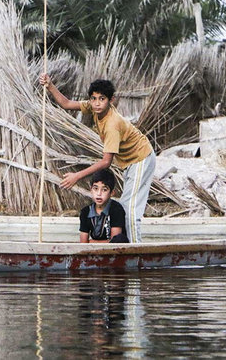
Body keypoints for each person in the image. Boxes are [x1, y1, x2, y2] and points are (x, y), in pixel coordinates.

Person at [39, 74, 156, 242]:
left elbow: (106, 162)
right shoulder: (94, 108)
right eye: (93, 99)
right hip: (129, 162)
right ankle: (124, 245)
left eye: (102, 99)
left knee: (130, 210)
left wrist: (77, 176)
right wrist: (50, 85)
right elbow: (66, 103)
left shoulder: (112, 124)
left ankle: (135, 249)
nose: (97, 103)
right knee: (125, 207)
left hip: (140, 158)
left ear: (111, 100)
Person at [79, 169, 128, 243]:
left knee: (121, 239)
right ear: (91, 190)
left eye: (104, 190)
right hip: (93, 249)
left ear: (112, 193)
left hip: (115, 250)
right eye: (95, 189)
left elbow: (115, 242)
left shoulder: (116, 209)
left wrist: (92, 242)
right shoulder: (85, 212)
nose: (99, 194)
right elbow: (83, 243)